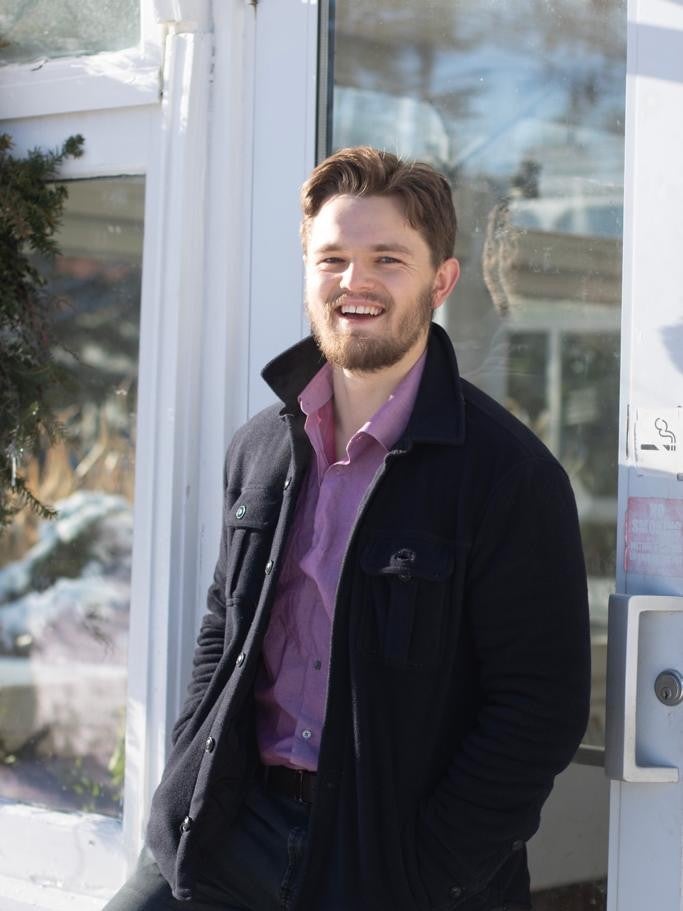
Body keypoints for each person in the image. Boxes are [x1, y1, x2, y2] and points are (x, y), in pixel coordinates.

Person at [106, 147, 591, 911]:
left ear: (441, 281)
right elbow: (222, 630)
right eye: (331, 258)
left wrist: (430, 867)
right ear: (306, 269)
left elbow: (541, 706)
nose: (353, 282)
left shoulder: (508, 476)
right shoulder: (260, 447)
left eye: (386, 259)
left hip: (392, 864)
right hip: (230, 828)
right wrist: (187, 778)